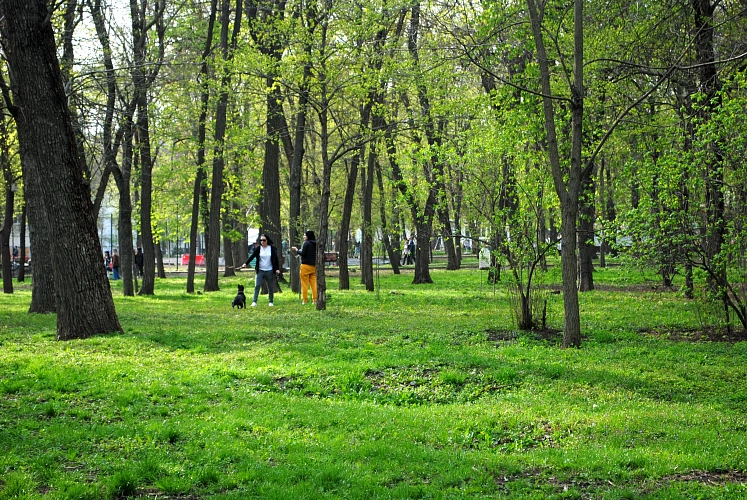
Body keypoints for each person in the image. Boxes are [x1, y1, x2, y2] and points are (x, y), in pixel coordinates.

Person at [241, 234, 281, 307]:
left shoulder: (272, 248)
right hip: (260, 270)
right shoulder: (258, 248)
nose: (262, 241)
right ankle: (254, 301)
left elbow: (276, 259)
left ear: (267, 240)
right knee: (257, 285)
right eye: (261, 240)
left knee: (270, 287)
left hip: (269, 270)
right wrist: (245, 263)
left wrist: (277, 269)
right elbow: (252, 256)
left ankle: (271, 301)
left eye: (264, 240)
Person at [291, 230, 317, 305]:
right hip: (313, 266)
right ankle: (315, 300)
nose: (303, 236)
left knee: (304, 284)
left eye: (305, 235)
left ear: (308, 236)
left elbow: (303, 253)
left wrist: (296, 250)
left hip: (305, 266)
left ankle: (305, 300)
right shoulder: (316, 243)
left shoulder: (306, 243)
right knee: (313, 284)